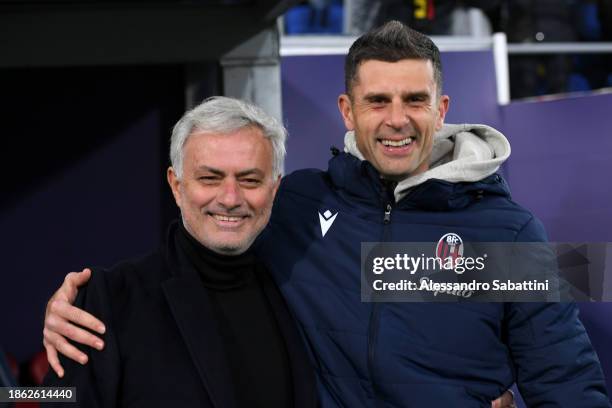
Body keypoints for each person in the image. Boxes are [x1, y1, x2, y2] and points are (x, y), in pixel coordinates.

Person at [43, 21, 609, 406]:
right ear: (348, 109)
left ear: (441, 109)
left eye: (414, 100)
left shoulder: (511, 232)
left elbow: (569, 379)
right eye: (376, 101)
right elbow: (34, 397)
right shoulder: (303, 206)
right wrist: (63, 308)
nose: (396, 119)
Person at [43, 96, 317, 407]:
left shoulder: (299, 291)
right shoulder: (107, 301)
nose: (230, 198)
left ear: (274, 189)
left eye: (249, 180)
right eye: (210, 178)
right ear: (176, 185)